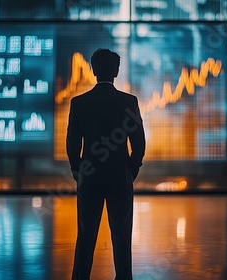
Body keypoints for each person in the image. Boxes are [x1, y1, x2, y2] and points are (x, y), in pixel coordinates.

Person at [66, 48, 146, 280]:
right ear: (116, 71)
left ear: (92, 70)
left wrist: (77, 170)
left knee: (86, 236)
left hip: (89, 177)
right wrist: (131, 169)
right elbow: (138, 142)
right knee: (122, 237)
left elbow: (72, 142)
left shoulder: (79, 103)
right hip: (120, 177)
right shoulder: (129, 102)